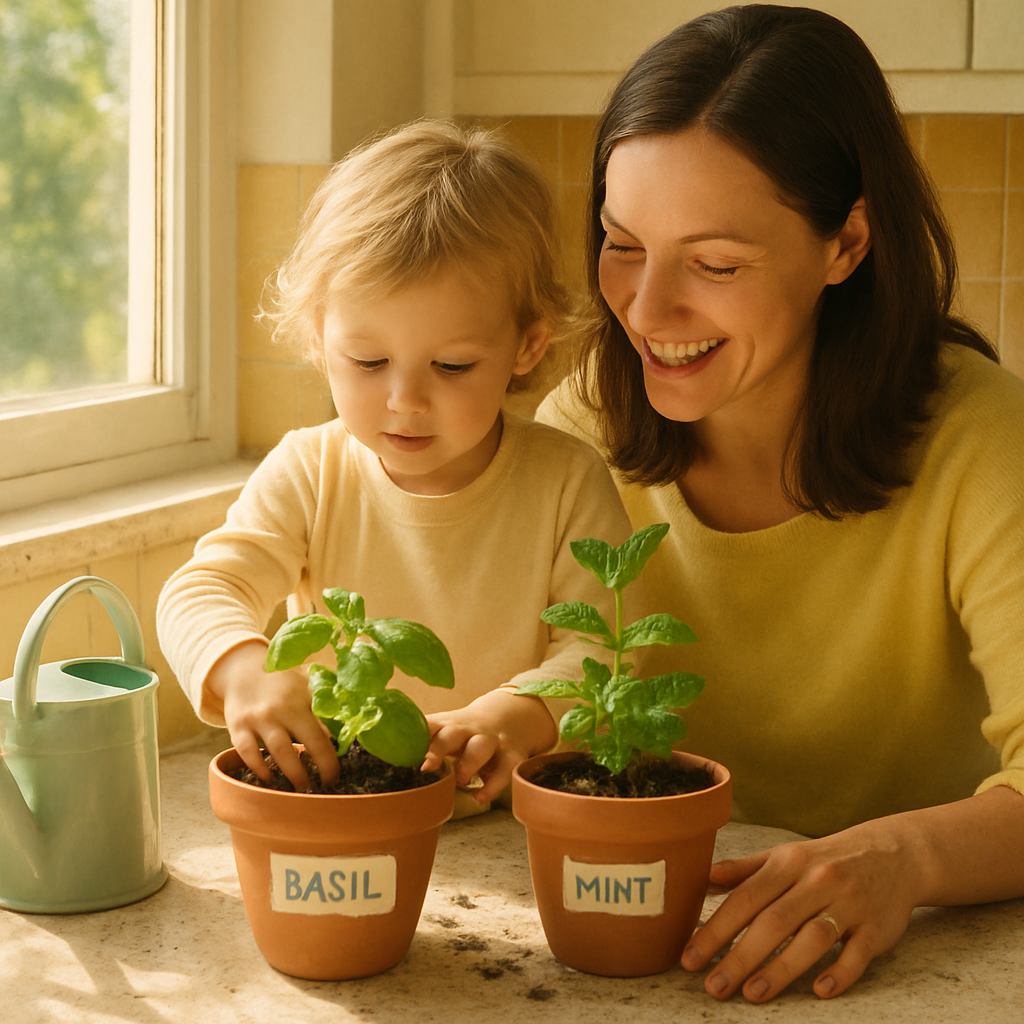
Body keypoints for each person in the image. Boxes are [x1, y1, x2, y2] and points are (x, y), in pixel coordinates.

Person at [537, 3, 1024, 1005]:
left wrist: (905, 859)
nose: (645, 307)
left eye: (714, 263)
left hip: (911, 969)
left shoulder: (980, 435)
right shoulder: (581, 421)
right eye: (621, 243)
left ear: (846, 242)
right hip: (646, 952)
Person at [157, 120, 633, 814]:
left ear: (527, 346)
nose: (405, 401)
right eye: (368, 362)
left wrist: (519, 714)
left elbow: (605, 652)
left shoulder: (566, 483)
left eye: (452, 365)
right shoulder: (309, 471)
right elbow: (200, 590)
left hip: (510, 830)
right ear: (321, 338)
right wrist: (242, 669)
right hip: (341, 815)